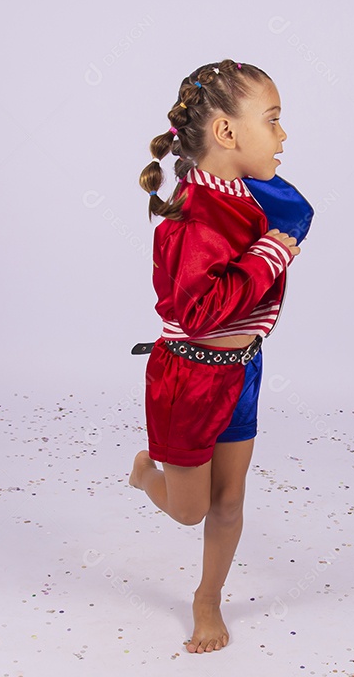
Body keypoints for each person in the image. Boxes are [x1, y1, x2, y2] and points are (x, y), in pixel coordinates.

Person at [128, 58, 311, 653]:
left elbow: (293, 219)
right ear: (228, 134)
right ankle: (144, 473)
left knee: (228, 504)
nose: (284, 136)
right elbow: (203, 311)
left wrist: (270, 246)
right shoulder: (191, 217)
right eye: (274, 121)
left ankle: (207, 598)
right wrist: (265, 259)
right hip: (190, 378)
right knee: (189, 512)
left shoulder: (246, 198)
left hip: (242, 372)